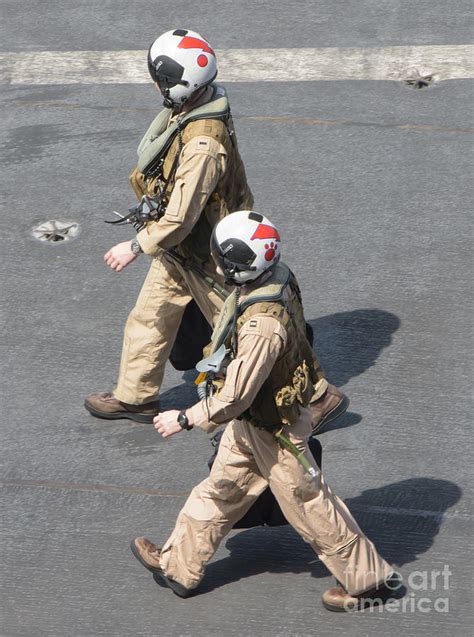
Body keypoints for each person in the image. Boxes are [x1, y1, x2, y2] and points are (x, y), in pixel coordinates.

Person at [84, 29, 348, 434]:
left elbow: (181, 217)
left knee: (250, 330)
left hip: (214, 257)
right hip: (182, 250)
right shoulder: (194, 106)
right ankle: (135, 396)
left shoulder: (203, 144)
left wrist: (134, 245)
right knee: (150, 316)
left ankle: (319, 396)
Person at [130, 211, 394, 611]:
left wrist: (185, 417)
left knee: (309, 504)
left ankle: (369, 581)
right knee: (221, 489)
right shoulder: (276, 277)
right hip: (255, 422)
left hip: (276, 428)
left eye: (221, 257)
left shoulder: (261, 327)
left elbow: (236, 394)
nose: (215, 262)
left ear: (237, 267)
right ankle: (178, 567)